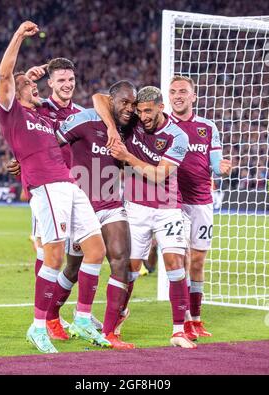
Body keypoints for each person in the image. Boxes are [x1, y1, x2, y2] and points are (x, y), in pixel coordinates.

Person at [0, 21, 109, 353]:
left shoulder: (47, 115)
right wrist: (18, 36)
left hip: (70, 186)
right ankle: (38, 325)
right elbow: (6, 76)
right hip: (45, 187)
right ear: (16, 91)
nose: (32, 84)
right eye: (26, 83)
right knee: (54, 258)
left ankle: (84, 318)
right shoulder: (12, 112)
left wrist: (44, 73)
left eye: (33, 82)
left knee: (95, 250)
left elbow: (77, 100)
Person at [94, 86, 197, 348]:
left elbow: (160, 175)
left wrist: (127, 157)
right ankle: (114, 324)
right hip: (135, 207)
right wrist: (109, 126)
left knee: (175, 263)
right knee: (129, 269)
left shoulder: (177, 136)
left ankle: (178, 331)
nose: (143, 116)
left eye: (148, 111)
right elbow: (98, 98)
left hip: (168, 207)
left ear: (161, 107)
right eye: (139, 111)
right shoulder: (134, 123)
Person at [56, 80, 138, 349]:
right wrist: (25, 160)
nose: (129, 109)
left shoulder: (131, 127)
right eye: (124, 103)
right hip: (83, 207)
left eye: (133, 104)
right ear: (113, 100)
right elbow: (53, 141)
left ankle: (110, 332)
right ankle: (50, 318)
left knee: (121, 261)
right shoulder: (85, 120)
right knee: (73, 267)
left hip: (112, 205)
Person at [168, 75, 232, 339]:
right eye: (173, 92)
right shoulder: (163, 125)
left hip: (202, 201)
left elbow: (215, 164)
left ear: (193, 96)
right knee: (180, 260)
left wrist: (222, 168)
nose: (178, 95)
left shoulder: (207, 127)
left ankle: (196, 319)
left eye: (183, 91)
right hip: (173, 203)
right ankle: (181, 321)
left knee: (197, 261)